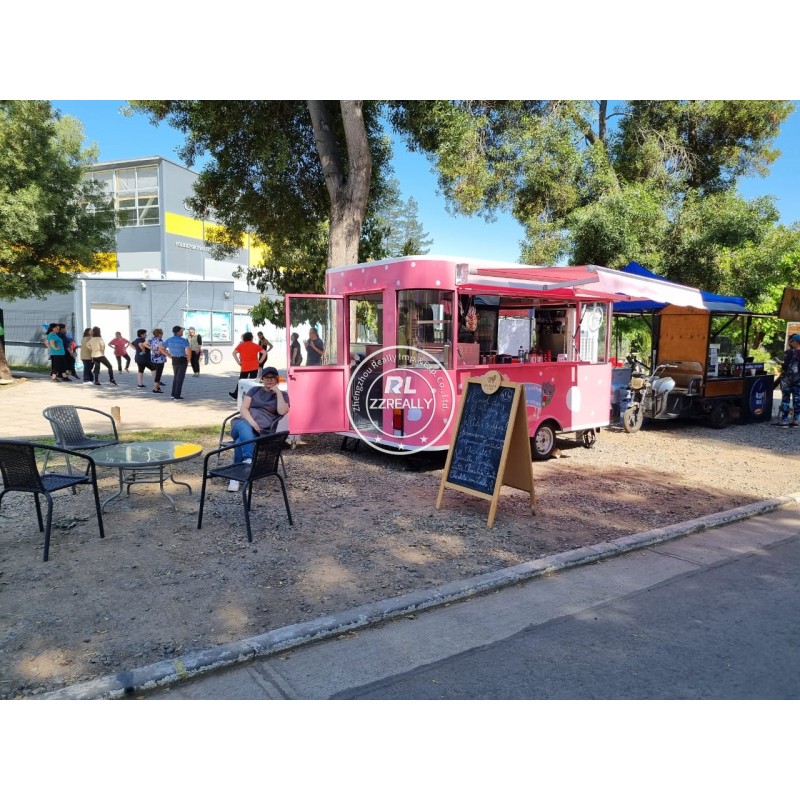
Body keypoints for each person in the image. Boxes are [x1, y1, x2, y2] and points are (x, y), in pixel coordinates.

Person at [227, 366, 290, 491]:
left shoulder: (282, 395)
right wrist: (252, 422)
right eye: (267, 377)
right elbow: (243, 409)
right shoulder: (254, 390)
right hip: (242, 423)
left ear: (277, 379)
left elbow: (282, 411)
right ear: (262, 379)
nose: (269, 380)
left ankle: (235, 478)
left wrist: (277, 392)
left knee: (240, 442)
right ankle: (248, 459)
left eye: (272, 378)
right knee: (244, 427)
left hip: (261, 431)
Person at [774, 333, 800, 428]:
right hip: (798, 380)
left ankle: (784, 421)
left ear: (795, 341)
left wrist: (778, 362)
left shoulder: (788, 352)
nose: (789, 342)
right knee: (797, 400)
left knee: (786, 399)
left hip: (787, 380)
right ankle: (795, 421)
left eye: (791, 341)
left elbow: (785, 366)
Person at [159, 325, 192, 400]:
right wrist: (189, 358)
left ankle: (173, 394)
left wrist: (169, 355)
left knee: (176, 377)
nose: (182, 332)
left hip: (174, 359)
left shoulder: (169, 339)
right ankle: (177, 395)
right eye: (181, 331)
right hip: (182, 359)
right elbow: (188, 349)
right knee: (180, 378)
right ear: (178, 332)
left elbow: (161, 348)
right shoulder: (183, 340)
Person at [229, 331, 262, 400]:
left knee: (241, 380)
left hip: (245, 366)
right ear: (251, 338)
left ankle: (236, 395)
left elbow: (234, 353)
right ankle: (253, 395)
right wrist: (260, 361)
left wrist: (238, 362)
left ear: (244, 338)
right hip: (254, 366)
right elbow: (264, 353)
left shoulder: (241, 345)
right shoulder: (255, 345)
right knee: (253, 381)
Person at [142, 328, 167, 393]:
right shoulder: (160, 341)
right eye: (161, 333)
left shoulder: (151, 339)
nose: (162, 334)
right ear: (159, 334)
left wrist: (152, 349)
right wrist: (163, 351)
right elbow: (159, 351)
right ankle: (155, 389)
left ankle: (157, 387)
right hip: (160, 359)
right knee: (158, 374)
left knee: (156, 373)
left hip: (153, 358)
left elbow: (144, 344)